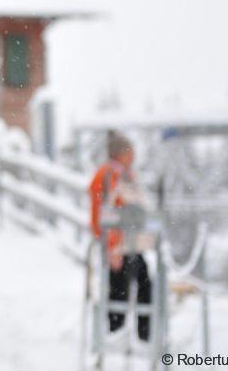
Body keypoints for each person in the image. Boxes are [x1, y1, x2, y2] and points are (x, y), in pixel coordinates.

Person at [89, 131, 152, 341]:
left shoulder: (123, 174)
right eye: (129, 151)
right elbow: (103, 214)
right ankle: (119, 335)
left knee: (140, 286)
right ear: (120, 153)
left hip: (130, 245)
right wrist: (111, 246)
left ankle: (138, 335)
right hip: (120, 247)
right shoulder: (108, 176)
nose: (133, 156)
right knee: (122, 291)